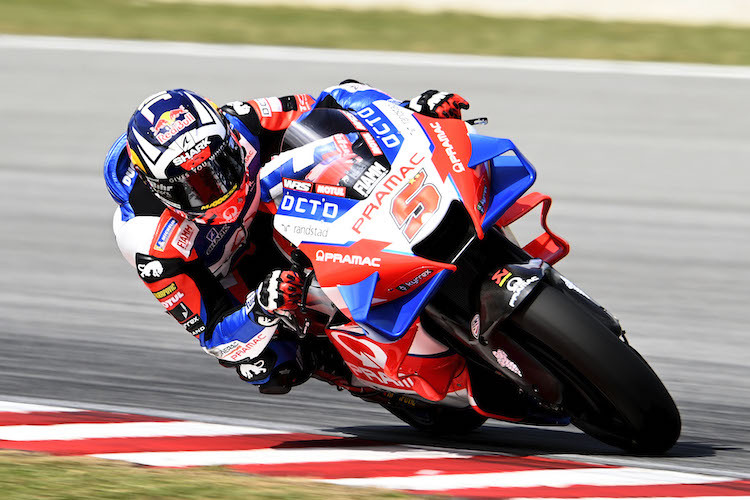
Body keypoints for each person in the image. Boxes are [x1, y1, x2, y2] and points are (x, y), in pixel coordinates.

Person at [104, 81, 469, 394]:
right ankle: (346, 368)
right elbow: (214, 334)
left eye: (222, 167)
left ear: (229, 139)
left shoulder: (244, 119)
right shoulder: (148, 238)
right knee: (266, 364)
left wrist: (411, 111)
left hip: (274, 209)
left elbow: (339, 99)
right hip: (235, 275)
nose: (217, 189)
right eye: (195, 188)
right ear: (161, 189)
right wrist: (259, 309)